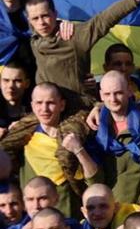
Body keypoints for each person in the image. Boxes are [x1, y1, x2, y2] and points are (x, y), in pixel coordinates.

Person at [27, 0, 140, 99]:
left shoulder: (74, 36)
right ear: (29, 21)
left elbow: (107, 17)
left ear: (55, 14)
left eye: (45, 16)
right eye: (35, 18)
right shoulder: (34, 39)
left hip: (75, 111)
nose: (41, 22)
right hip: (42, 110)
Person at [2, 83, 92, 217]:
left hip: (70, 212)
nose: (44, 109)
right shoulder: (22, 137)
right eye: (39, 103)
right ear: (32, 106)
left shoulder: (77, 134)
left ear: (62, 105)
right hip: (34, 215)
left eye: (50, 103)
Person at [81, 70, 140, 204]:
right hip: (108, 207)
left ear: (129, 91)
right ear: (101, 95)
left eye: (118, 93)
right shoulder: (94, 128)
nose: (113, 99)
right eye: (107, 94)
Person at [0, 59, 32, 135]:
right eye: (6, 80)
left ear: (27, 83)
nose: (11, 86)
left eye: (17, 81)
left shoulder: (36, 110)